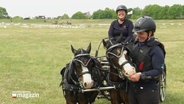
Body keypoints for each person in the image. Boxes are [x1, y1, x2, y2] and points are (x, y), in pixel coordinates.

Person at [125, 16, 166, 104]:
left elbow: (158, 71)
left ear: (150, 33)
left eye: (141, 33)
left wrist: (141, 75)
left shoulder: (156, 49)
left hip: (148, 91)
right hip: (133, 89)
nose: (138, 36)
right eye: (137, 33)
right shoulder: (134, 45)